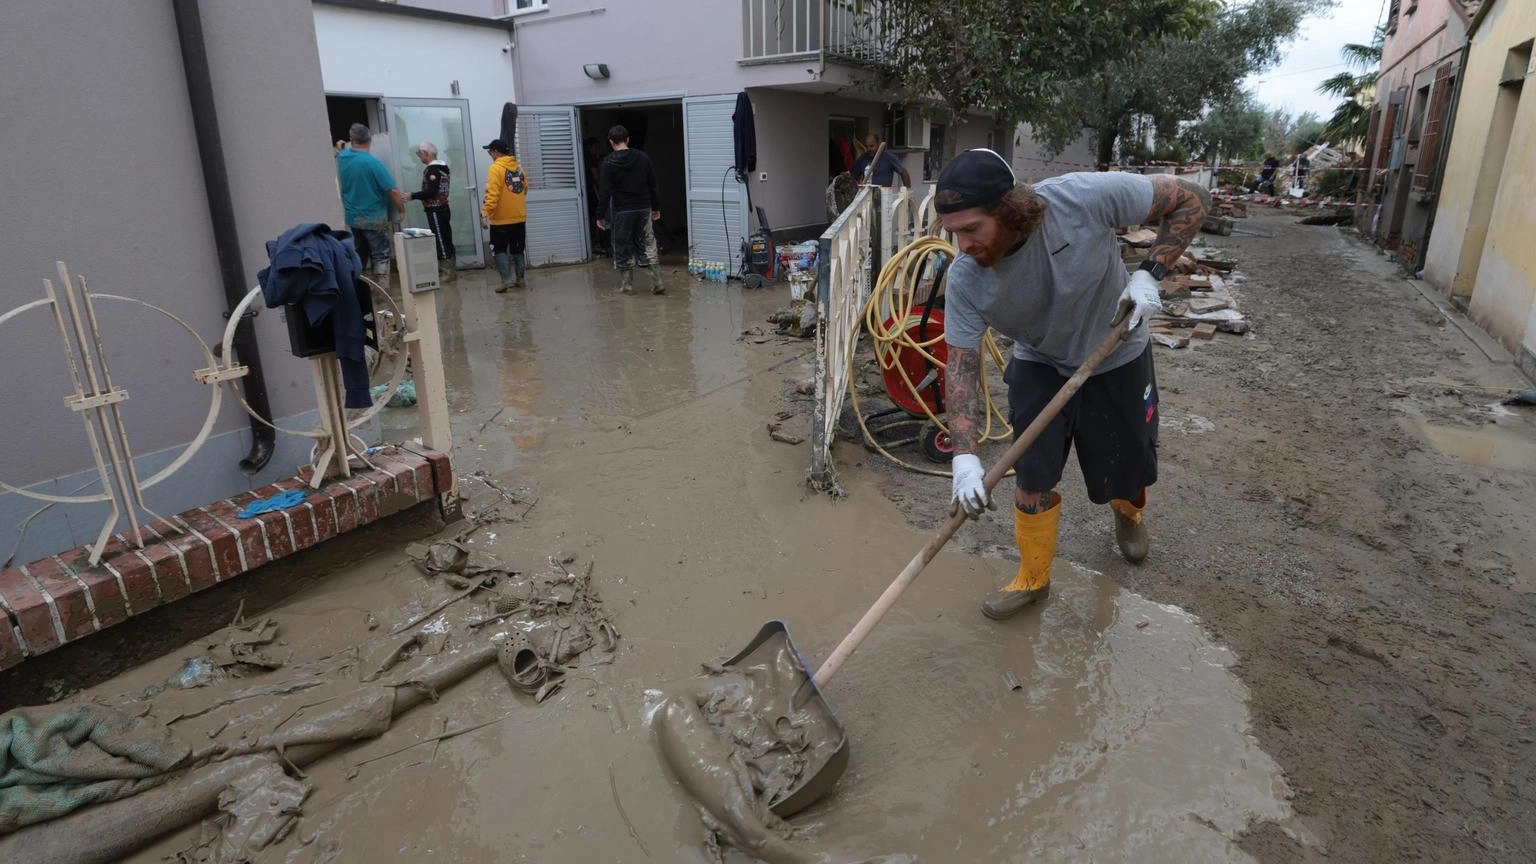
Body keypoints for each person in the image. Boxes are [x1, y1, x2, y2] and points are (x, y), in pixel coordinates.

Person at [938, 149, 1209, 620]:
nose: (962, 246)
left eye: (970, 229)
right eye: (952, 233)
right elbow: (961, 367)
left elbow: (1194, 199)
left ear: (1008, 209)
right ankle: (1033, 577)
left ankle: (1128, 514)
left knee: (1127, 465)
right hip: (1041, 360)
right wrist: (964, 457)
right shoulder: (966, 281)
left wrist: (1150, 273)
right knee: (1032, 473)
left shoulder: (1082, 199)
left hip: (1117, 347)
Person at [596, 125, 665, 295]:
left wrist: (600, 215)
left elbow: (604, 192)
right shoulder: (643, 158)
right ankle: (657, 281)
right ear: (628, 139)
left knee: (622, 245)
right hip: (643, 208)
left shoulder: (608, 162)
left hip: (622, 211)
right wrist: (656, 207)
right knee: (648, 243)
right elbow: (653, 185)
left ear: (611, 142)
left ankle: (627, 286)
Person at [334, 123, 407, 277]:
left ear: (351, 139)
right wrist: (401, 210)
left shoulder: (342, 158)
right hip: (374, 218)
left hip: (353, 219)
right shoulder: (373, 162)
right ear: (370, 140)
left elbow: (340, 150)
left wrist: (341, 146)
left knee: (360, 254)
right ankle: (381, 294)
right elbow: (393, 190)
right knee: (380, 254)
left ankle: (359, 290)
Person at [479, 139, 529, 293]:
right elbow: (525, 188)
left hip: (501, 220)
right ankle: (520, 280)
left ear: (496, 152)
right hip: (519, 217)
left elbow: (492, 194)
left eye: (490, 152)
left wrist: (485, 213)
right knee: (518, 248)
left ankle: (506, 281)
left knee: (499, 249)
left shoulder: (495, 169)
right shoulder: (519, 168)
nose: (490, 155)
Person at [408, 141, 456, 283]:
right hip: (444, 207)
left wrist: (412, 195)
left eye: (419, 154)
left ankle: (446, 271)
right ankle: (451, 268)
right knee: (446, 236)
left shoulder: (432, 170)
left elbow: (432, 191)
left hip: (435, 208)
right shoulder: (443, 168)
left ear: (425, 153)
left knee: (440, 238)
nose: (419, 157)